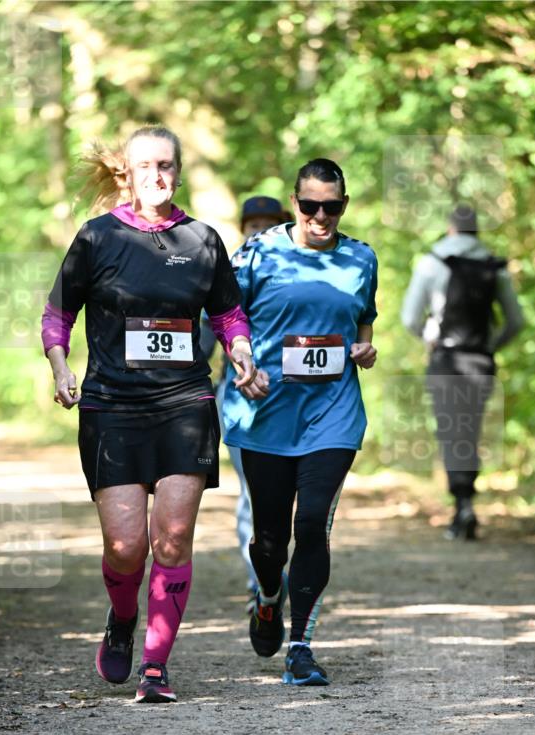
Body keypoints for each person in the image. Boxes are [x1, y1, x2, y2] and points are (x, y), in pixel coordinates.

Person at [41, 124, 262, 704]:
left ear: (179, 171)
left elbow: (229, 315)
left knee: (174, 536)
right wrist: (61, 367)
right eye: (145, 167)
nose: (156, 176)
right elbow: (57, 315)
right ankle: (121, 619)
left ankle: (156, 666)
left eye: (166, 165)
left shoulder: (202, 240)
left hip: (184, 403)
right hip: (111, 406)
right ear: (129, 174)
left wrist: (240, 351)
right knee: (125, 547)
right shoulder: (97, 238)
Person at [223, 158, 378, 687]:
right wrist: (240, 361)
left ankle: (301, 647)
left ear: (343, 206)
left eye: (331, 207)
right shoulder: (256, 253)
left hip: (333, 415)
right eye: (310, 205)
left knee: (312, 523)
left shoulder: (361, 258)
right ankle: (269, 598)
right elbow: (224, 318)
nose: (320, 216)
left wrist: (364, 348)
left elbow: (362, 322)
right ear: (294, 203)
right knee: (269, 540)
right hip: (266, 414)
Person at [401, 204, 525, 539]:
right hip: (481, 360)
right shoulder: (493, 265)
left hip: (446, 359)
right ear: (477, 230)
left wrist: (429, 338)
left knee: (450, 431)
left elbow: (410, 317)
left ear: (450, 228)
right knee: (470, 431)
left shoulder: (432, 262)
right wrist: (492, 345)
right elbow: (516, 320)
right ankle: (466, 502)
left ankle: (462, 505)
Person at [201, 195, 287, 614]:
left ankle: (283, 569)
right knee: (253, 491)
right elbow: (204, 331)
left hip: (296, 398)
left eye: (268, 224)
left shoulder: (301, 271)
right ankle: (261, 582)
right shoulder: (230, 270)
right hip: (238, 395)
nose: (259, 232)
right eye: (252, 225)